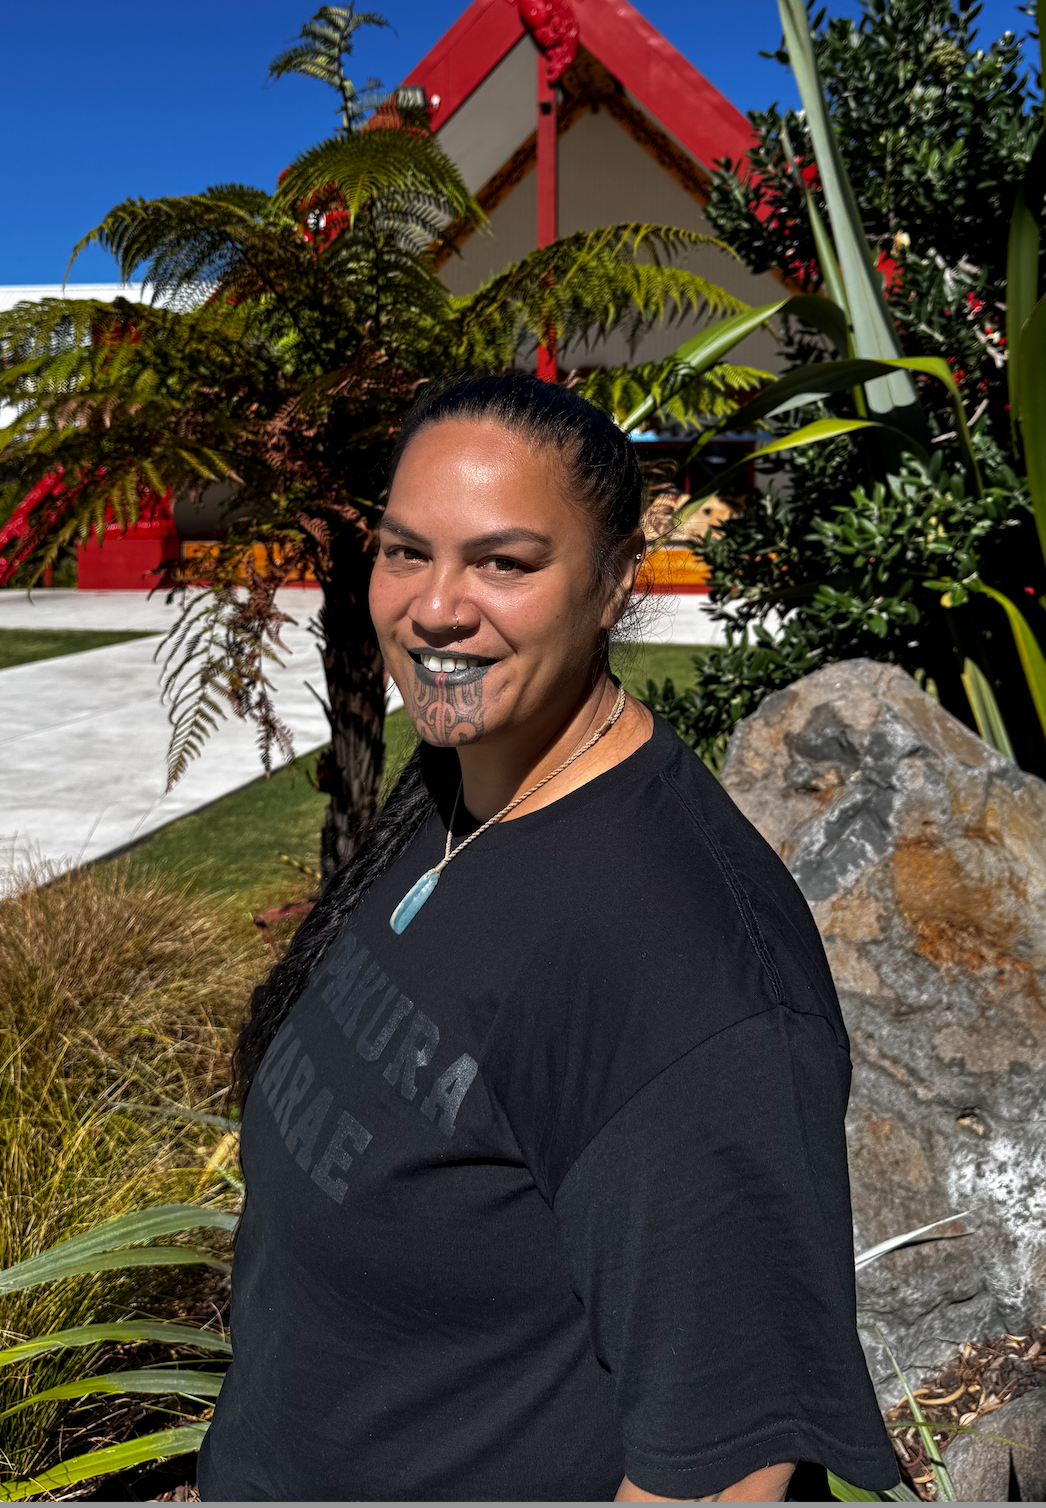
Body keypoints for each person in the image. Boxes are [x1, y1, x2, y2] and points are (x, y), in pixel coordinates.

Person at [197, 374, 899, 1503]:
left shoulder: (684, 964)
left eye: (504, 562)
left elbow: (718, 1470)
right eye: (405, 550)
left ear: (618, 579)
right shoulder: (455, 788)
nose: (434, 606)